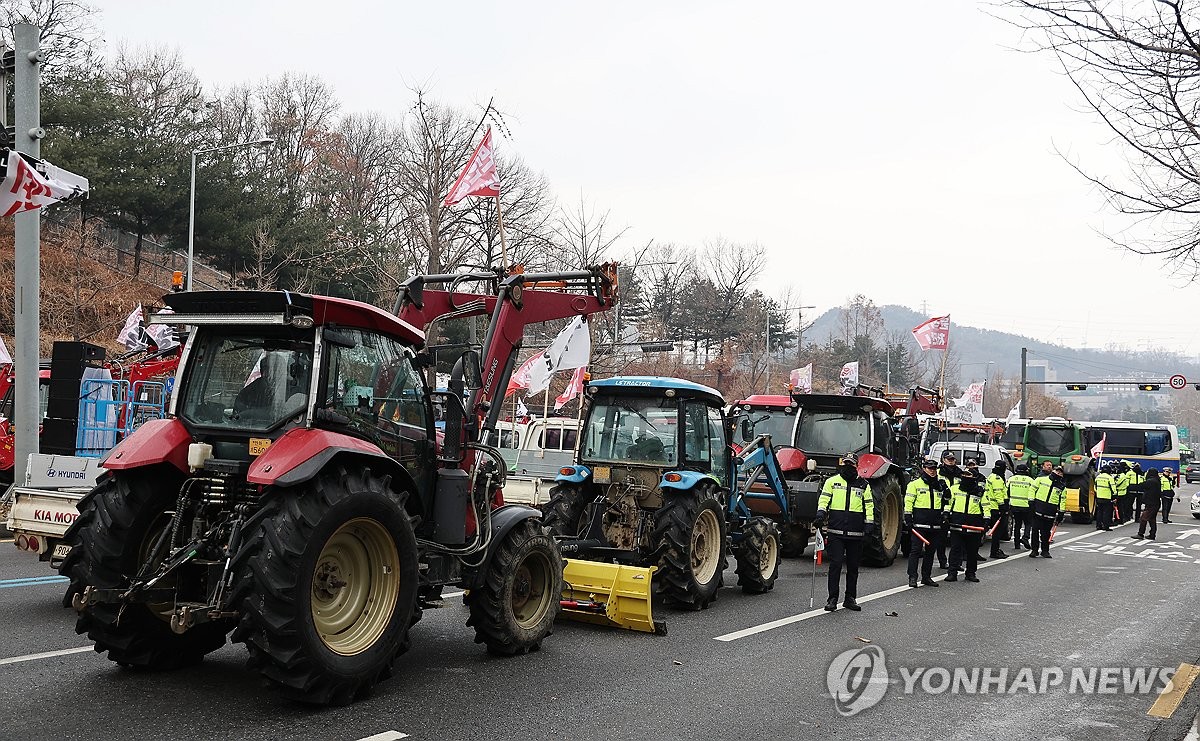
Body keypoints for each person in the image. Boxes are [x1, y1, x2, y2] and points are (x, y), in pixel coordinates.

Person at [814, 453, 875, 612]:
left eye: (851, 463)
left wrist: (869, 525)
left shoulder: (863, 485)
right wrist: (820, 514)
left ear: (856, 465)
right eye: (845, 463)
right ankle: (832, 598)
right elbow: (824, 500)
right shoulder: (832, 482)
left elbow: (869, 506)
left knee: (853, 567)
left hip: (856, 533)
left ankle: (850, 598)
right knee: (835, 565)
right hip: (836, 531)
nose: (848, 466)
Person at [904, 458, 947, 588]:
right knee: (915, 551)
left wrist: (945, 514)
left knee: (930, 552)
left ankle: (926, 577)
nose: (932, 471)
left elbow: (946, 501)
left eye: (934, 469)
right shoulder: (915, 484)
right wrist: (908, 516)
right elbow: (909, 501)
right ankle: (912, 577)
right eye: (930, 468)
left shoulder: (940, 485)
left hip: (935, 524)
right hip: (919, 524)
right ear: (924, 469)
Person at [945, 469, 991, 582]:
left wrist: (987, 520)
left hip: (974, 526)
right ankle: (952, 573)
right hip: (957, 524)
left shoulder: (980, 491)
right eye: (964, 474)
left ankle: (970, 573)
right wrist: (946, 514)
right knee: (955, 550)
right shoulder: (954, 488)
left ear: (974, 477)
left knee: (972, 552)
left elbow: (986, 506)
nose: (965, 477)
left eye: (969, 475)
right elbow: (948, 503)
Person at [1030, 464, 1066, 558]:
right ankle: (1034, 550)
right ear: (1053, 471)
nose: (1058, 473)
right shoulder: (1041, 479)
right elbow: (1032, 490)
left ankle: (1045, 551)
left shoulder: (1062, 487)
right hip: (1038, 508)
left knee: (1046, 533)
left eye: (1060, 472)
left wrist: (1061, 513)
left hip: (1050, 512)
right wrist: (1031, 502)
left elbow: (1062, 500)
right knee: (1035, 531)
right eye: (1056, 471)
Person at [936, 450, 963, 569]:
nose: (951, 461)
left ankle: (956, 563)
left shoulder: (960, 473)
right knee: (941, 538)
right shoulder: (937, 473)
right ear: (943, 460)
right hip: (942, 507)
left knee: (958, 539)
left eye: (952, 459)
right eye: (948, 459)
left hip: (957, 508)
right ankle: (942, 561)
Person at [964, 458, 988, 561]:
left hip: (977, 507)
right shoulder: (963, 475)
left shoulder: (981, 477)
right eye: (969, 465)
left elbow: (983, 491)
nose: (971, 467)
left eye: (973, 465)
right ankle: (964, 554)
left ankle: (975, 552)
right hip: (965, 508)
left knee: (977, 534)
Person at [1007, 463, 1037, 549]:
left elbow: (1007, 491)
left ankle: (1017, 544)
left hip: (1014, 505)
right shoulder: (1030, 480)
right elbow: (1034, 492)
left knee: (1017, 524)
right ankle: (1025, 537)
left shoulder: (1011, 479)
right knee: (1028, 523)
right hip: (1026, 505)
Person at [984, 460, 1009, 559]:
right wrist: (1002, 506)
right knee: (997, 532)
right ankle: (994, 551)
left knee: (995, 531)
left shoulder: (991, 476)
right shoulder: (998, 479)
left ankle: (995, 550)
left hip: (991, 506)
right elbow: (998, 493)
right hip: (996, 507)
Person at [1133, 469, 1162, 540]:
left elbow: (1141, 485)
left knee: (1143, 518)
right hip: (1155, 503)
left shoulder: (1151, 481)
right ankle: (1152, 534)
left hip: (1151, 504)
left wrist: (1131, 486)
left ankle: (1141, 534)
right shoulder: (1157, 480)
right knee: (1152, 519)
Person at [1094, 463, 1117, 531]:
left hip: (1099, 497)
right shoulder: (1109, 478)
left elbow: (1095, 487)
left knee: (1099, 512)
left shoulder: (1098, 477)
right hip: (1107, 497)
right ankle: (1106, 526)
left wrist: (1098, 493)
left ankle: (1098, 525)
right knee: (1106, 512)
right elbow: (1113, 488)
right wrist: (1115, 496)